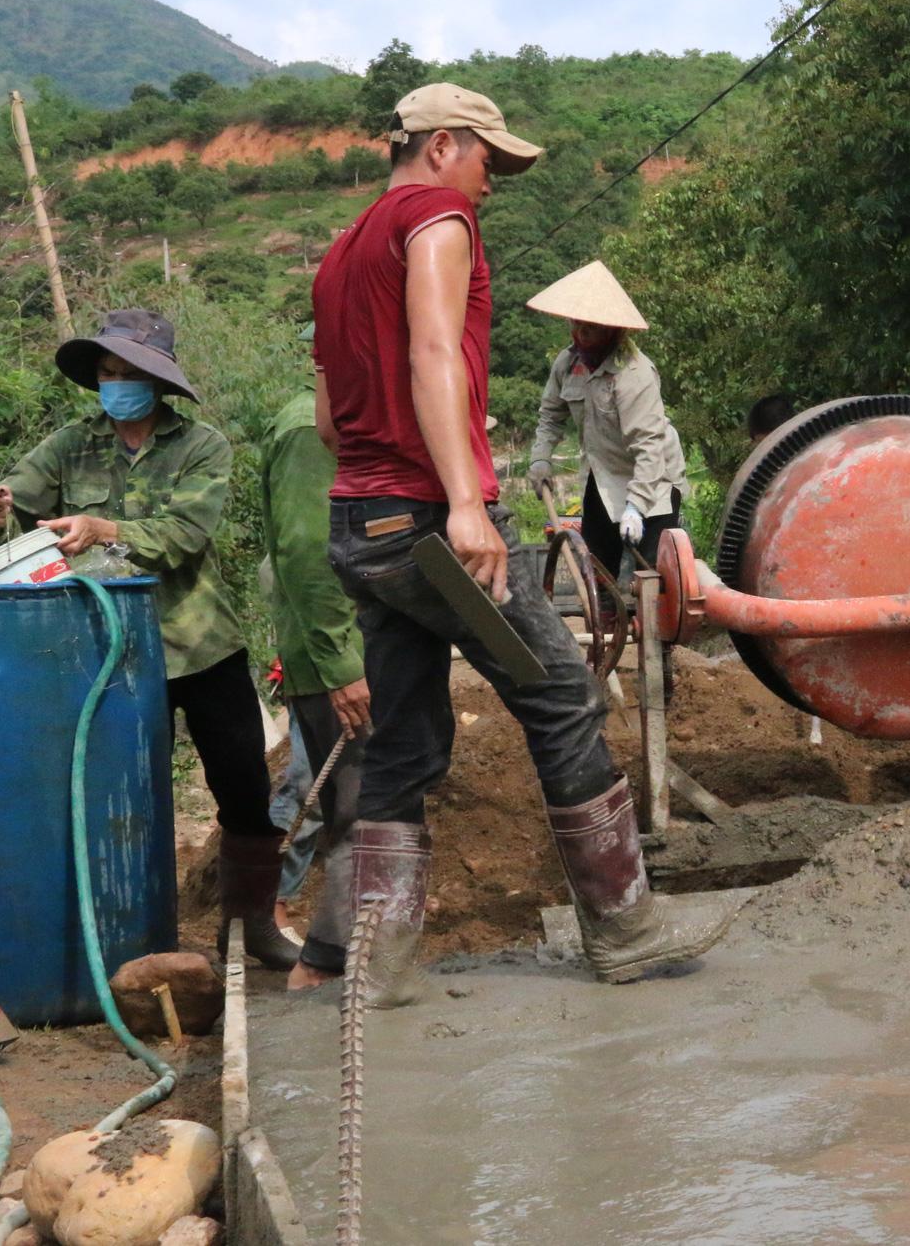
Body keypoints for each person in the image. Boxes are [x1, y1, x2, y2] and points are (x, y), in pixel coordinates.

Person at [311, 83, 732, 1004]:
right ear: (441, 145)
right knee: (560, 699)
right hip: (431, 524)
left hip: (361, 524)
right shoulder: (437, 216)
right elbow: (432, 352)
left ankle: (373, 974)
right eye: (486, 159)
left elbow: (329, 420)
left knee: (407, 740)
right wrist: (464, 499)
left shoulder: (341, 253)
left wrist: (393, 472)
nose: (491, 182)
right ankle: (627, 931)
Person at [0, 310, 297, 969]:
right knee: (122, 789)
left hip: (199, 642)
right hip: (107, 648)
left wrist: (104, 529)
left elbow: (185, 534)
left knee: (240, 786)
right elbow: (14, 514)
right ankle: (134, 932)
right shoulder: (68, 444)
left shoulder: (202, 446)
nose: (117, 383)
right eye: (108, 372)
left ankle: (254, 924)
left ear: (159, 381)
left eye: (131, 373)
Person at [258, 382, 372, 990]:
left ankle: (338, 951)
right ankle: (321, 959)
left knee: (350, 802)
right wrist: (342, 664)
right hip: (334, 655)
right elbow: (306, 548)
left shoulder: (342, 416)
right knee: (351, 806)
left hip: (341, 648)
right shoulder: (309, 427)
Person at [526, 260, 689, 584]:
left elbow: (649, 446)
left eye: (592, 328)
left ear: (613, 330)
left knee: (653, 576)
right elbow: (550, 417)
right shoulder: (567, 363)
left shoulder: (634, 374)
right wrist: (541, 458)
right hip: (601, 477)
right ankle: (607, 621)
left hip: (653, 480)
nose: (581, 334)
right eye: (577, 324)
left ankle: (654, 631)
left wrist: (636, 506)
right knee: (599, 570)